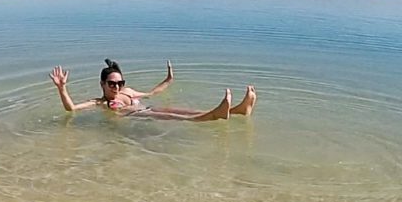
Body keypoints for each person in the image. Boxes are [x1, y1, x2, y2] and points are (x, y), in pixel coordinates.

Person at [49, 59, 257, 121]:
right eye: (112, 84)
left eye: (119, 83)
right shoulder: (99, 102)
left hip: (149, 107)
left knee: (184, 110)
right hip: (142, 116)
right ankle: (216, 114)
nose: (116, 87)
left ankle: (238, 110)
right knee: (180, 117)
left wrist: (168, 79)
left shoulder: (128, 92)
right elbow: (72, 109)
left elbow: (152, 93)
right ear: (102, 84)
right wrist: (62, 89)